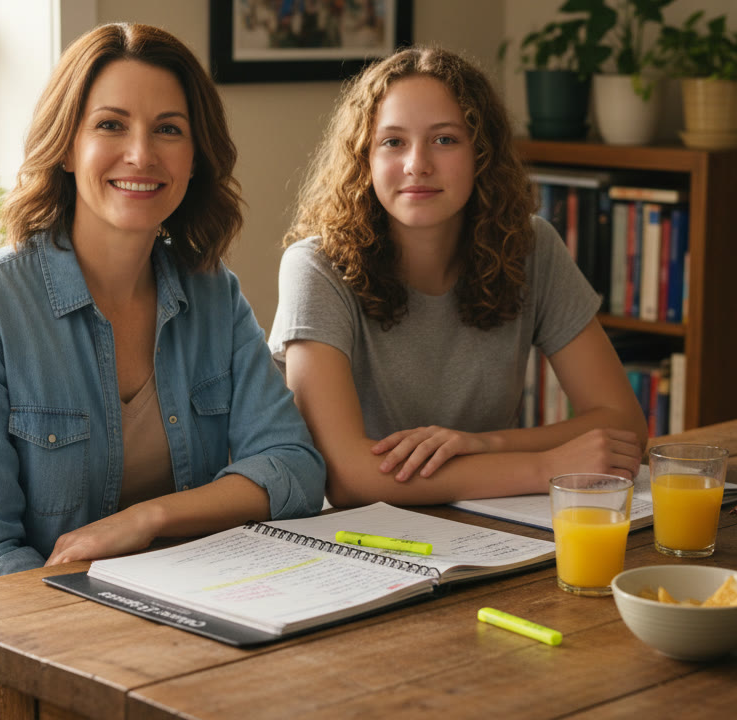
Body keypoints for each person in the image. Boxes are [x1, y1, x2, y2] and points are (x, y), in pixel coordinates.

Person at [0, 23, 326, 718]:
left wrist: (146, 521)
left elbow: (295, 469)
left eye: (169, 129)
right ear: (67, 145)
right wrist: (142, 638)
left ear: (195, 155)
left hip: (169, 655)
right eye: (111, 125)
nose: (141, 154)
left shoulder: (215, 295)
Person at [268, 45, 645, 509]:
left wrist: (485, 444)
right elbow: (349, 479)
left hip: (495, 514)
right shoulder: (315, 267)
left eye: (445, 139)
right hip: (358, 536)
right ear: (364, 158)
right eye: (393, 142)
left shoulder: (531, 247)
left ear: (481, 154)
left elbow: (624, 426)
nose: (417, 164)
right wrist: (546, 465)